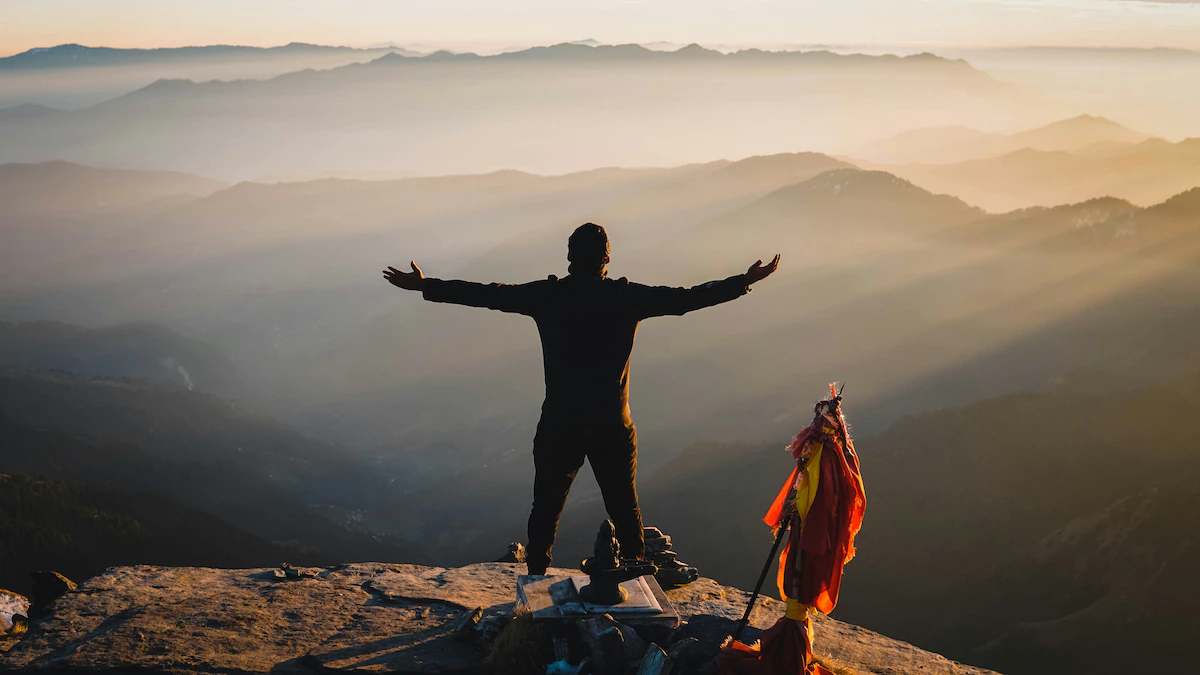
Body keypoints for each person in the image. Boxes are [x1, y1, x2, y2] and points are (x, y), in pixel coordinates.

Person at [384, 223, 780, 575]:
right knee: (625, 509)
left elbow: (488, 294)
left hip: (561, 422)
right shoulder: (627, 298)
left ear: (570, 257)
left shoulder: (548, 296)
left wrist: (425, 285)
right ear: (607, 258)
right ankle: (635, 582)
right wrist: (743, 281)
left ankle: (536, 577)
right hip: (613, 423)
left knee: (546, 508)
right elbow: (685, 299)